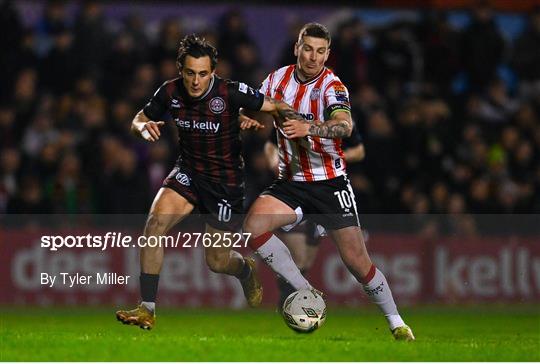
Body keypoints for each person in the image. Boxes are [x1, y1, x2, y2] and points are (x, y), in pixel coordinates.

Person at [115, 34, 307, 330]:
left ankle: (244, 269)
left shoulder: (230, 92)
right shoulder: (169, 91)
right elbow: (139, 118)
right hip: (188, 172)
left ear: (213, 72)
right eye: (190, 73)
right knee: (154, 224)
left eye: (203, 74)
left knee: (216, 261)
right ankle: (147, 308)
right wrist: (143, 128)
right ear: (181, 71)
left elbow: (277, 107)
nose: (195, 81)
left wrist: (288, 129)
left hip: (225, 183)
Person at [241, 23, 415, 340]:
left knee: (357, 262)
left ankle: (396, 322)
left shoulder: (332, 86)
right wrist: (249, 118)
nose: (313, 57)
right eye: (308, 49)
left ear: (327, 54)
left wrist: (310, 128)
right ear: (297, 48)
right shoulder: (276, 79)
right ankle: (304, 289)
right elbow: (260, 110)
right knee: (253, 226)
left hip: (330, 184)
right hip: (291, 182)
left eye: (320, 51)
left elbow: (344, 126)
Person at [264, 126, 366, 307]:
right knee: (300, 256)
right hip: (293, 192)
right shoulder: (293, 116)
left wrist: (330, 158)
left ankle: (289, 290)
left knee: (306, 263)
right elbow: (271, 145)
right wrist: (274, 163)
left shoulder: (340, 122)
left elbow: (359, 152)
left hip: (324, 195)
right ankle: (289, 305)